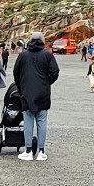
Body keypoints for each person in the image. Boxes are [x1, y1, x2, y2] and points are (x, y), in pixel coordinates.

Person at [13, 32, 58, 160]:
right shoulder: (48, 55)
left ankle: (28, 150)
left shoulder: (23, 55)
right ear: (43, 41)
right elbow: (55, 72)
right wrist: (47, 82)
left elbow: (16, 72)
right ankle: (41, 151)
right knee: (42, 121)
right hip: (43, 92)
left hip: (27, 92)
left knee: (28, 121)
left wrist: (21, 86)